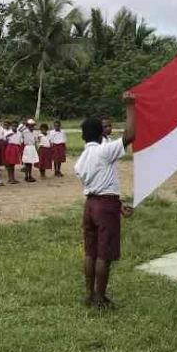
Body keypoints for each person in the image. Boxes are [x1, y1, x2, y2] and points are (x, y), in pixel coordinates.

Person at [75, 92, 136, 308]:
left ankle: (89, 295)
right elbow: (130, 135)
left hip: (90, 205)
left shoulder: (81, 159)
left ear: (83, 136)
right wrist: (130, 106)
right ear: (101, 133)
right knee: (104, 254)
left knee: (90, 253)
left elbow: (98, 185)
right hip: (105, 206)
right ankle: (101, 298)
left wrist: (119, 206)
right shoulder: (104, 151)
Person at [4, 120, 22, 185]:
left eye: (16, 126)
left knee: (13, 164)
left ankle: (13, 178)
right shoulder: (8, 132)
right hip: (9, 148)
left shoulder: (19, 133)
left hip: (16, 148)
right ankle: (10, 179)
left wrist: (19, 149)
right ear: (11, 126)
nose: (14, 127)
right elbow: (4, 140)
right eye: (13, 126)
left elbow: (19, 142)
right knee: (9, 164)